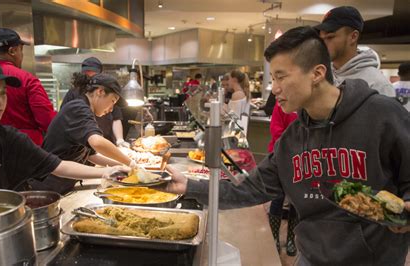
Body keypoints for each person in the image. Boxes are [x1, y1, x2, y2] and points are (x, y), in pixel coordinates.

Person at [164, 26, 410, 265]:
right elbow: (248, 190)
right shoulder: (292, 140)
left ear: (317, 73)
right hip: (311, 258)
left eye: (281, 76)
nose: (275, 88)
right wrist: (188, 186)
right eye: (273, 78)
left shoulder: (382, 115)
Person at [0, 56, 128, 196]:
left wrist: (108, 170)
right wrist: (128, 163)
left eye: (3, 93)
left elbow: (59, 165)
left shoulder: (10, 138)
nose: (0, 101)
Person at [29, 73, 134, 194]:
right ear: (100, 92)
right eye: (113, 101)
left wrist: (124, 167)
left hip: (62, 184)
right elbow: (97, 143)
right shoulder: (78, 108)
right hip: (46, 186)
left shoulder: (85, 110)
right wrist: (129, 162)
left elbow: (91, 156)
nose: (111, 109)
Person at [0, 28, 57, 145]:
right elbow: (48, 121)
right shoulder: (27, 79)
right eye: (21, 50)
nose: (22, 55)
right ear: (13, 51)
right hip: (26, 149)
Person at [316, 6, 396, 97]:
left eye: (330, 37)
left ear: (353, 37)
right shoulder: (321, 76)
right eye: (321, 39)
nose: (322, 44)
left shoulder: (377, 84)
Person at [61, 57, 129, 148]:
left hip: (103, 143)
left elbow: (116, 118)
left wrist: (120, 140)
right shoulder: (78, 104)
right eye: (87, 74)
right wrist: (129, 162)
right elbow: (95, 142)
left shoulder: (108, 94)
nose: (89, 78)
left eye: (93, 75)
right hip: (85, 144)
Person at [267, 102, 298, 256]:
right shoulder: (281, 106)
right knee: (277, 197)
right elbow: (276, 131)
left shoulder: (308, 106)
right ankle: (274, 239)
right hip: (281, 156)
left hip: (301, 160)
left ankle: (292, 239)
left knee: (296, 201)